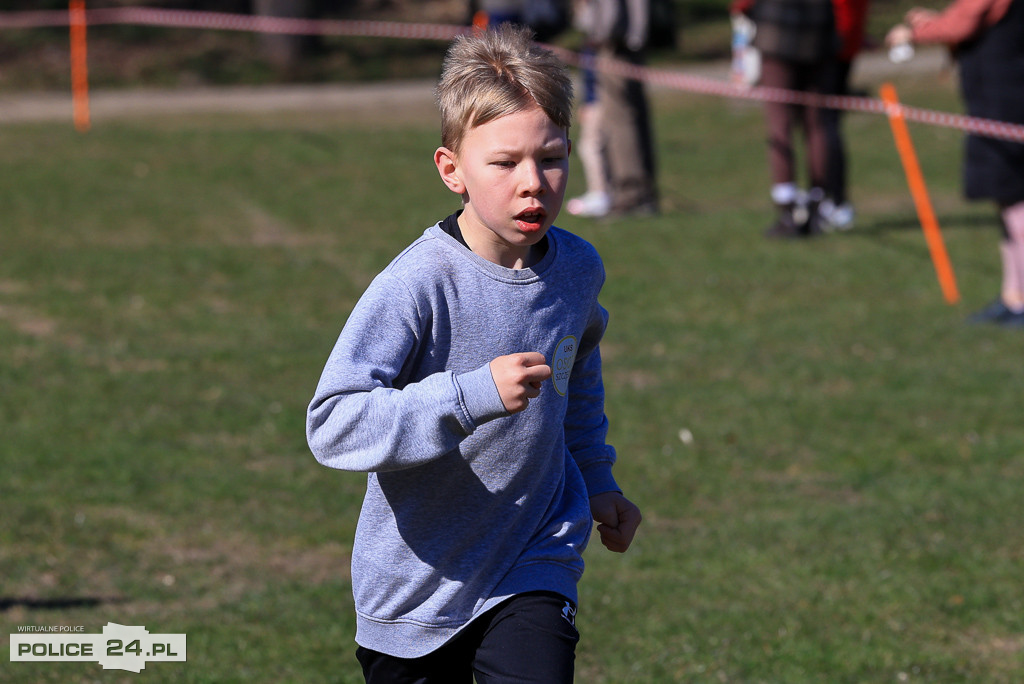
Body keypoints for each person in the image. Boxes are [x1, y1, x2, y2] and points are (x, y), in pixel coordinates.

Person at [306, 24, 643, 683]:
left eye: (551, 158)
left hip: (533, 551)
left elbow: (576, 372)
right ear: (451, 169)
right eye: (505, 162)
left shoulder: (576, 269)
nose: (533, 183)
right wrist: (468, 395)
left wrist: (597, 478)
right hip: (416, 586)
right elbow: (334, 423)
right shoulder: (416, 284)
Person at [886, 0, 1024, 326]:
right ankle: (1013, 296)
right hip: (999, 98)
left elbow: (965, 21)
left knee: (1017, 205)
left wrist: (913, 33)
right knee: (1005, 202)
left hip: (1006, 101)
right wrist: (936, 21)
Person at [736, 0, 840, 237]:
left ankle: (788, 210)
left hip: (778, 30)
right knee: (817, 125)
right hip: (818, 30)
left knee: (780, 123)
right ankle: (815, 206)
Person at [577, 0, 660, 217]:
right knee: (633, 117)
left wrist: (601, 35)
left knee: (620, 121)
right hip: (626, 43)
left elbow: (611, 10)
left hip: (615, 45)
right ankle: (642, 192)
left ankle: (631, 194)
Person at [819, 0, 870, 230]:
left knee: (824, 123)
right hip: (846, 37)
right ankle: (830, 199)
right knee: (826, 121)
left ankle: (833, 200)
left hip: (831, 39)